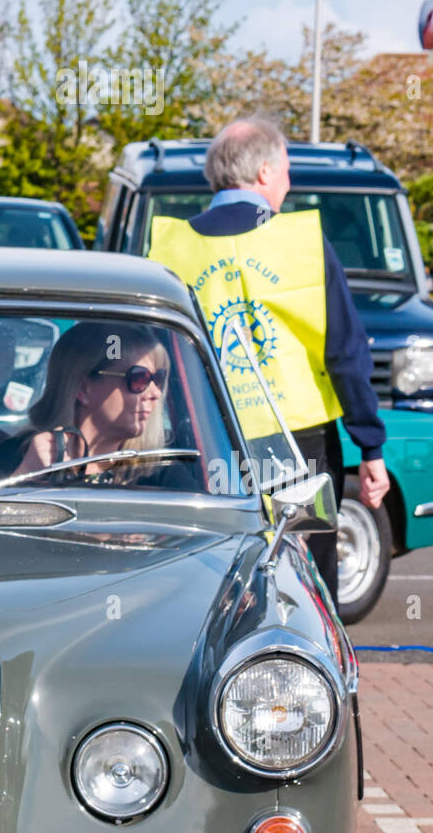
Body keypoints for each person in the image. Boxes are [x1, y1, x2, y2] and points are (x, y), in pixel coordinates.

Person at [146, 114, 389, 604]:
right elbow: (345, 351)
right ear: (262, 174)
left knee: (212, 577)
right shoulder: (301, 244)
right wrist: (371, 445)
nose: (288, 182)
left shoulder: (170, 248)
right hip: (299, 444)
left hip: (204, 441)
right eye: (286, 171)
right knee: (305, 584)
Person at [0, 321, 178, 486]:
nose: (155, 393)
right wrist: (27, 474)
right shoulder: (16, 455)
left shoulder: (159, 470)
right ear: (84, 388)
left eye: (158, 379)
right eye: (139, 378)